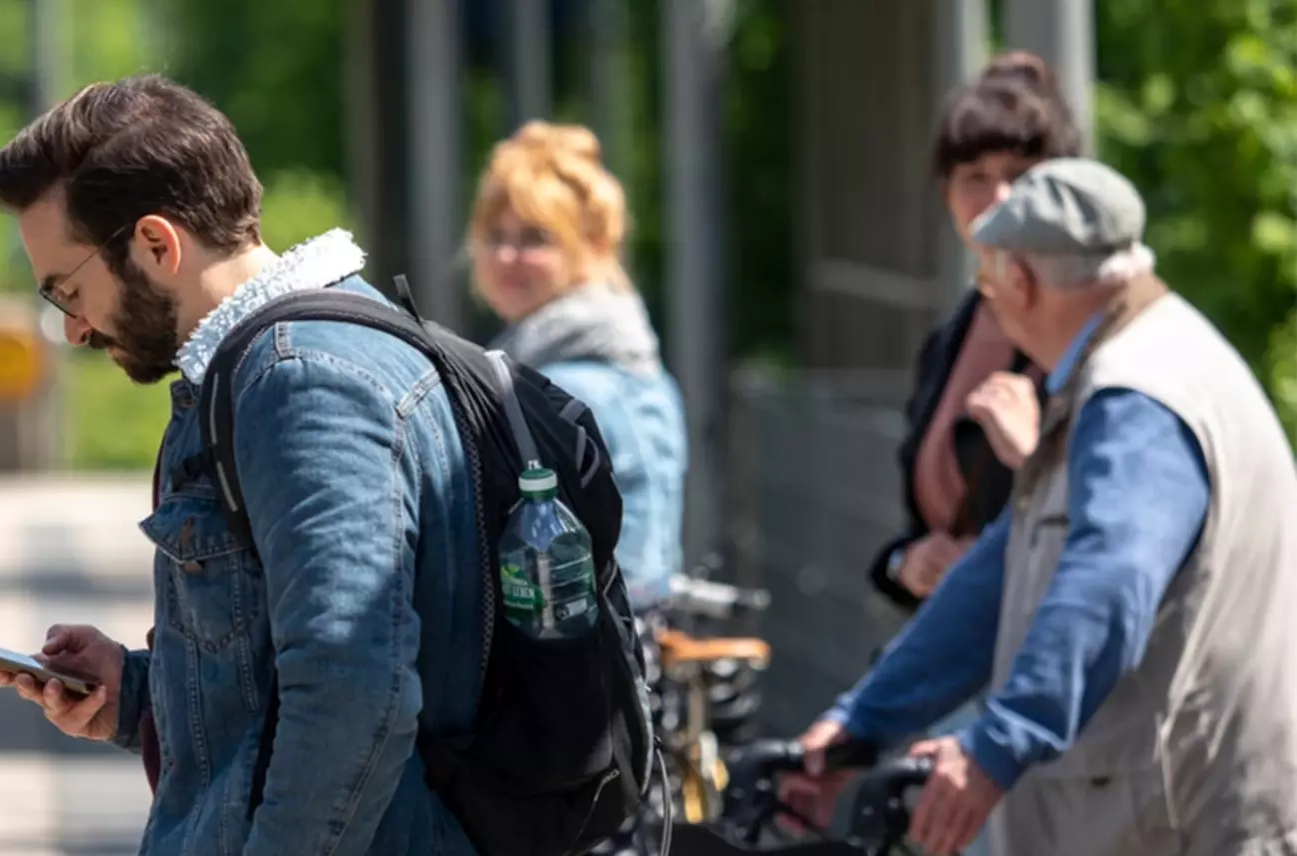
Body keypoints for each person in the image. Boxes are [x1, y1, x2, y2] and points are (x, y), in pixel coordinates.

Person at [0, 74, 485, 855]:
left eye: (68, 292)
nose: (75, 330)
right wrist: (140, 696)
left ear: (156, 243)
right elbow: (287, 681)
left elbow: (353, 688)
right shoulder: (315, 353)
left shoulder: (302, 385)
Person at [786, 158, 1297, 856]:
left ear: (1019, 283)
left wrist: (994, 748)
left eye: (986, 286)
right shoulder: (1134, 367)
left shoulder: (1137, 396)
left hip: (1183, 828)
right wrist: (864, 724)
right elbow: (1000, 575)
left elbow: (1105, 587)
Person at [870, 50, 1081, 613]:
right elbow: (923, 522)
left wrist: (1030, 457)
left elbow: (1114, 528)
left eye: (1018, 176)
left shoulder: (1087, 336)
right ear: (947, 194)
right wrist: (907, 563)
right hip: (957, 647)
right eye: (974, 178)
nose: (998, 200)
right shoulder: (948, 338)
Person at [468, 119, 687, 612]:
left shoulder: (553, 387)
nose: (507, 255)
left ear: (590, 247)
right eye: (494, 235)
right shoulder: (641, 366)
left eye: (534, 238)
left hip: (577, 654)